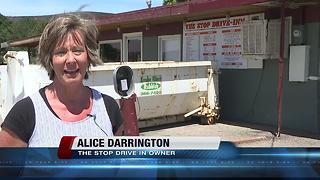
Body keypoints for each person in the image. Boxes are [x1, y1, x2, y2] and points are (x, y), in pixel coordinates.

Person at [0, 14, 123, 147]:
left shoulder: (108, 107)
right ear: (50, 59)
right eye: (61, 52)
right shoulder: (25, 113)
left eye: (77, 50)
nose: (70, 60)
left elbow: (123, 163)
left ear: (89, 56)